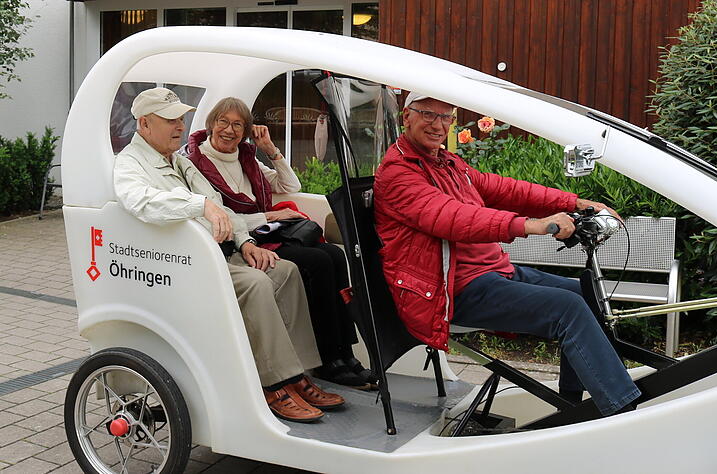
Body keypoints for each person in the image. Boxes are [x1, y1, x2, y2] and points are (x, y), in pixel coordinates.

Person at [373, 92, 641, 416]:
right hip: (454, 289)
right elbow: (453, 218)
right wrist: (533, 226)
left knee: (587, 293)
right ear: (407, 117)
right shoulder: (398, 173)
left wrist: (576, 203)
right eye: (428, 114)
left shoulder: (447, 163)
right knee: (568, 308)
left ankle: (574, 401)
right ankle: (623, 410)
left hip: (493, 273)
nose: (438, 124)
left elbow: (505, 189)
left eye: (446, 117)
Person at [113, 87, 346, 423]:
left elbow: (222, 208)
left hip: (215, 252)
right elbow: (140, 202)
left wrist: (245, 243)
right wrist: (199, 205)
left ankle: (298, 374)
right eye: (170, 120)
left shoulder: (178, 161)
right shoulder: (130, 163)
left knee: (285, 271)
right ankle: (272, 382)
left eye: (181, 118)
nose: (179, 126)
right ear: (144, 124)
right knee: (256, 284)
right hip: (182, 262)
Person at [185, 97, 374, 389]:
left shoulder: (246, 157)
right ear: (210, 124)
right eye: (223, 122)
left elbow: (290, 186)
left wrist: (270, 150)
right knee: (318, 262)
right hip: (241, 240)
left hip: (268, 233)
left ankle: (344, 352)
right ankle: (327, 359)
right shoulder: (196, 163)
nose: (229, 130)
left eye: (238, 125)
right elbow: (222, 216)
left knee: (335, 256)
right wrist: (267, 215)